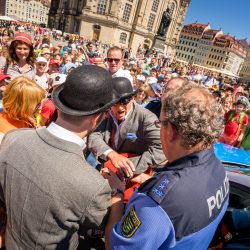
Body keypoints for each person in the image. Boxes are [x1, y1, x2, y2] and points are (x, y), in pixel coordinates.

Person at [0, 65, 120, 249]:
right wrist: (117, 193)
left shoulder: (13, 138)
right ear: (98, 118)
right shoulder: (93, 185)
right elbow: (102, 228)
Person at [103, 82, 228, 250]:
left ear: (171, 130)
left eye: (160, 124)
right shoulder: (219, 169)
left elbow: (114, 246)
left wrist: (117, 193)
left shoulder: (155, 203)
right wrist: (149, 179)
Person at [88, 77, 165, 179]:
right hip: (103, 165)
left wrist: (123, 167)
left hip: (130, 175)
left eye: (124, 102)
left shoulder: (147, 118)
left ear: (132, 98)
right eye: (115, 103)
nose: (120, 108)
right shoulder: (105, 113)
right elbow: (94, 136)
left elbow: (160, 149)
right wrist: (111, 154)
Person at [0, 76, 45, 142]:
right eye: (37, 104)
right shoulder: (8, 134)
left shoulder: (27, 118)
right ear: (23, 106)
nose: (40, 107)